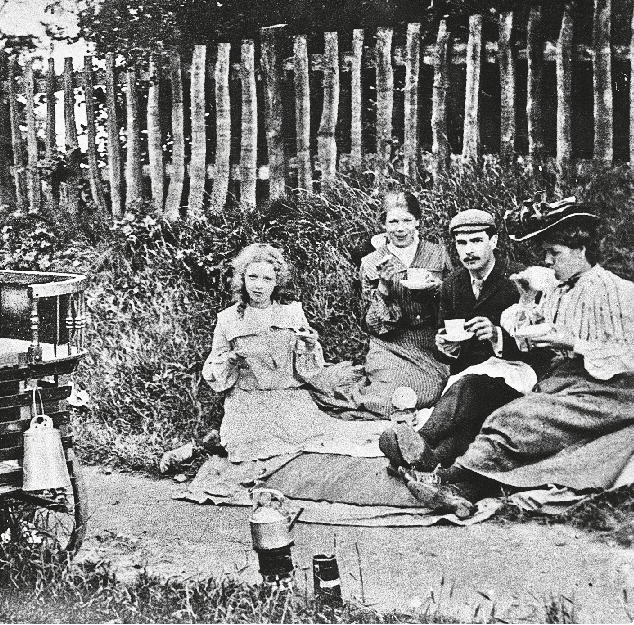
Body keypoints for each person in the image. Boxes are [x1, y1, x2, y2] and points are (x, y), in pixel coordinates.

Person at [404, 197, 634, 516]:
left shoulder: (616, 293)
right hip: (562, 381)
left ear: (581, 250)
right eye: (546, 253)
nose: (549, 261)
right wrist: (527, 301)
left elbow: (627, 355)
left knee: (516, 417)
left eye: (555, 253)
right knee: (502, 410)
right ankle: (456, 484)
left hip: (609, 392)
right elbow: (530, 329)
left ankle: (454, 481)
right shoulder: (559, 288)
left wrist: (573, 343)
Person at [160, 243, 375, 470]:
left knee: (324, 443)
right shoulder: (228, 319)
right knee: (248, 449)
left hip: (288, 398)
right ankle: (202, 448)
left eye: (267, 279)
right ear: (242, 279)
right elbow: (214, 372)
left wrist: (309, 346)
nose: (259, 286)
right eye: (252, 277)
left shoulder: (292, 313)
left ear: (277, 282)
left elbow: (308, 371)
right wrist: (230, 361)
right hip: (247, 402)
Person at [378, 209, 545, 471]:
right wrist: (446, 348)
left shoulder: (519, 280)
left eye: (477, 241)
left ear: (494, 241)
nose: (468, 250)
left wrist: (497, 336)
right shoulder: (453, 284)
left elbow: (540, 347)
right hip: (468, 376)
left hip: (516, 374)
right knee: (470, 427)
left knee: (471, 387)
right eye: (461, 243)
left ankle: (419, 440)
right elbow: (445, 351)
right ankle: (423, 461)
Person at [324, 191, 452, 418]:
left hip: (428, 343)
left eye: (407, 221)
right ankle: (368, 389)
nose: (400, 228)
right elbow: (371, 325)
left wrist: (439, 288)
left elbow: (455, 301)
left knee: (428, 393)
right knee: (386, 401)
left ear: (418, 221)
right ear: (383, 224)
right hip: (389, 344)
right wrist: (383, 286)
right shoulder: (371, 262)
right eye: (393, 221)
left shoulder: (437, 254)